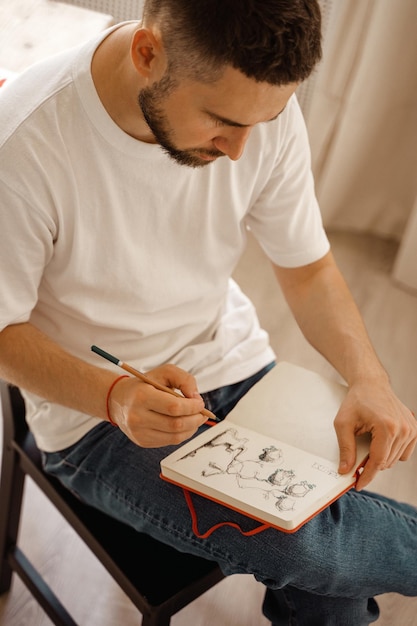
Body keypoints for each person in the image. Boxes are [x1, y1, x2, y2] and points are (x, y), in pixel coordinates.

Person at [0, 1, 416, 623]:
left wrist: (370, 378)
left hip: (236, 361)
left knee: (328, 585)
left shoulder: (257, 108)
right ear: (148, 53)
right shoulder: (26, 142)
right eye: (222, 122)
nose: (243, 150)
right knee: (312, 550)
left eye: (266, 119)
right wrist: (116, 397)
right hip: (96, 419)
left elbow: (307, 269)